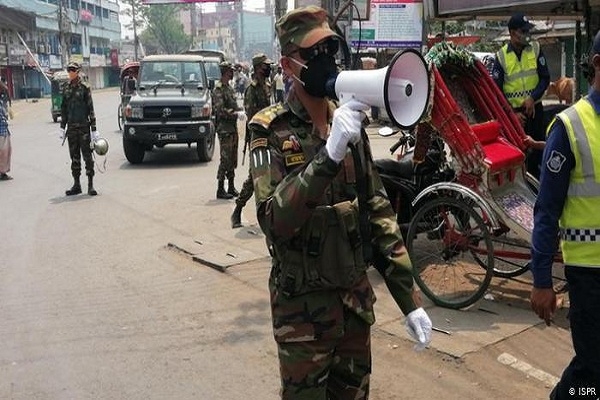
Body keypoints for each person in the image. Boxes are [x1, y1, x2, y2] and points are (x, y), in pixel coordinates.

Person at [247, 6, 432, 398]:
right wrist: (327, 156)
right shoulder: (269, 129)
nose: (323, 61)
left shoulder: (349, 124)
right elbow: (274, 219)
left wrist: (408, 299)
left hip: (354, 310)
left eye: (329, 50)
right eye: (311, 54)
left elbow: (379, 211)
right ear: (288, 63)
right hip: (302, 321)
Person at [529, 30, 600, 399]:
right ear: (598, 66)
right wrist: (541, 280)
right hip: (589, 275)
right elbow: (546, 210)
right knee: (592, 369)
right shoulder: (570, 126)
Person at [493, 12, 550, 179]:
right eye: (523, 31)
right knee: (517, 154)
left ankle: (537, 186)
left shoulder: (536, 48)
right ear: (512, 33)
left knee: (538, 154)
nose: (527, 35)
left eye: (527, 31)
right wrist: (513, 114)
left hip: (535, 111)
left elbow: (545, 78)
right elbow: (497, 91)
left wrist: (533, 98)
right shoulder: (501, 57)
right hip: (514, 116)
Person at [230, 53, 273, 228]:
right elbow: (252, 117)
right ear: (257, 69)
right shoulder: (251, 89)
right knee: (255, 175)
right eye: (265, 66)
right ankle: (238, 209)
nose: (268, 69)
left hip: (271, 135)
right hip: (258, 136)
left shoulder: (267, 85)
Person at [59, 61, 99, 196]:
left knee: (87, 156)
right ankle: (76, 185)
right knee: (74, 157)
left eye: (72, 70)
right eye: (69, 69)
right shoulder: (65, 87)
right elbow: (63, 108)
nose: (70, 72)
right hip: (71, 128)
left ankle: (90, 185)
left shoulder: (84, 87)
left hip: (83, 128)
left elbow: (90, 108)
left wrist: (94, 129)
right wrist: (62, 127)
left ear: (78, 71)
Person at [212, 61, 242, 199]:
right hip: (224, 129)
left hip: (232, 127)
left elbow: (233, 105)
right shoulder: (218, 89)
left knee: (232, 157)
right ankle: (220, 188)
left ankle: (230, 186)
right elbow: (220, 110)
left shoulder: (229, 88)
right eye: (230, 71)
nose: (232, 73)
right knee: (225, 158)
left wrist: (239, 111)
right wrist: (235, 113)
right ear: (225, 72)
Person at [0, 78, 12, 181]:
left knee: (6, 151)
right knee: (2, 152)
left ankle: (3, 172)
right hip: (1, 130)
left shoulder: (2, 100)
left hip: (4, 128)